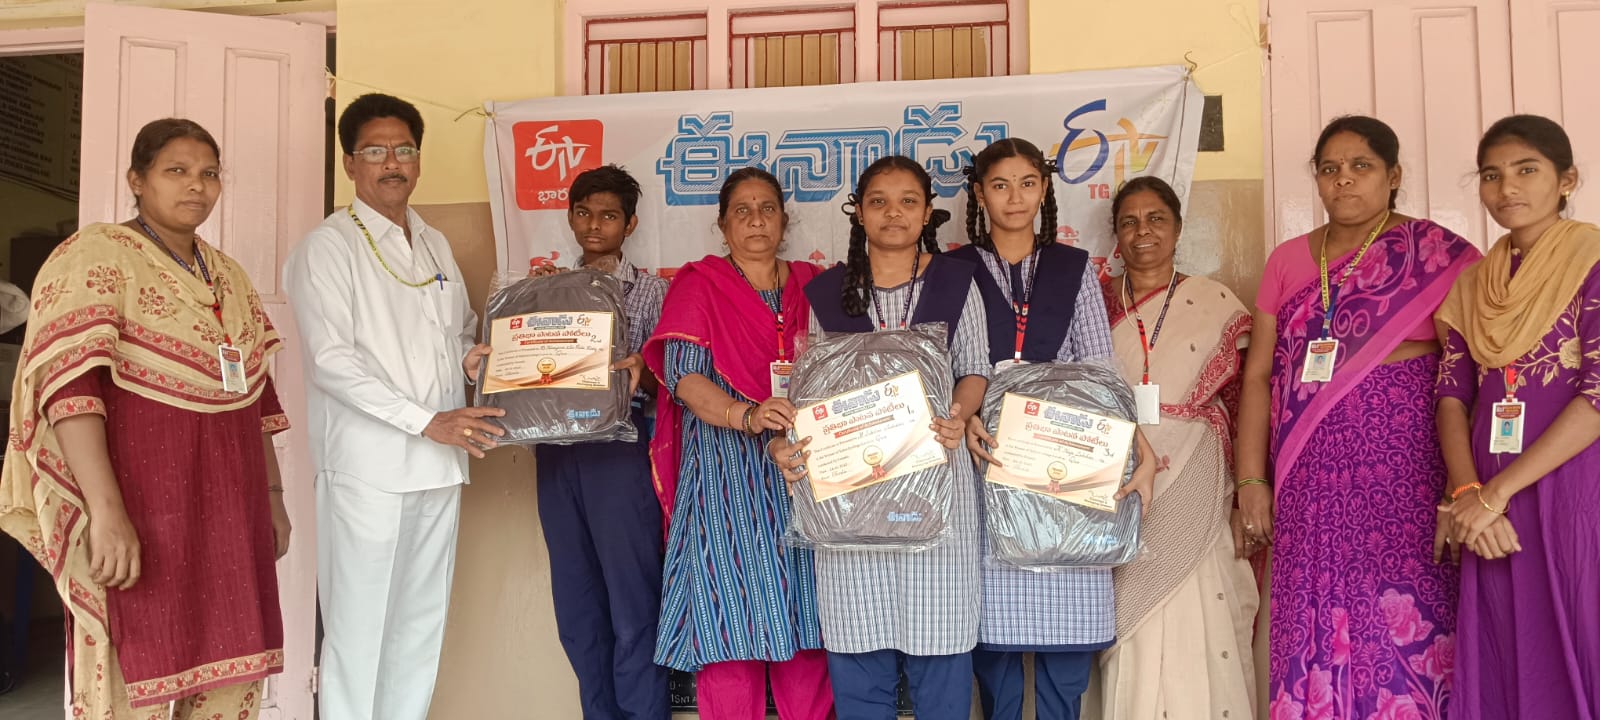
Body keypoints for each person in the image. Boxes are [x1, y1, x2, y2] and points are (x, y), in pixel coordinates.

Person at [0, 118, 289, 718]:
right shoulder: (95, 256)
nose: (196, 186)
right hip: (141, 506)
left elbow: (256, 398)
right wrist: (105, 513)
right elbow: (68, 390)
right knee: (137, 667)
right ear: (137, 180)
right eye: (176, 171)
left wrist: (273, 498)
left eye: (209, 173)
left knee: (229, 670)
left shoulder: (229, 276)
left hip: (229, 511)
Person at [1234, 115, 1479, 718]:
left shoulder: (1438, 254)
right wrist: (1251, 480)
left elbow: (1469, 373)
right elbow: (1258, 376)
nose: (1343, 179)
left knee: (1408, 612)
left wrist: (1461, 488)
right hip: (1308, 472)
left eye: (1360, 166)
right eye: (1330, 168)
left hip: (1406, 470)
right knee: (1313, 608)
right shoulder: (1288, 260)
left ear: (1393, 176)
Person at [282, 93, 506, 720]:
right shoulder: (328, 247)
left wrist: (473, 362)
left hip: (439, 466)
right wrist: (427, 421)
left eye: (404, 149)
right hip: (369, 470)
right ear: (350, 163)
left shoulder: (432, 242)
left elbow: (457, 333)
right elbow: (332, 361)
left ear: (418, 159)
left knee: (419, 627)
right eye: (375, 150)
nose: (392, 162)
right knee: (358, 633)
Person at [947, 138, 1154, 720]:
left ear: (1044, 189)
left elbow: (1099, 370)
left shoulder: (1073, 268)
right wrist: (964, 417)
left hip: (1067, 449)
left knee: (1071, 622)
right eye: (1000, 185)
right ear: (979, 194)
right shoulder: (954, 269)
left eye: (1027, 183)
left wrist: (1140, 448)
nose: (1015, 197)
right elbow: (945, 363)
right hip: (987, 455)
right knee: (994, 641)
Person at [772, 155, 983, 719]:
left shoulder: (958, 282)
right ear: (859, 213)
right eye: (879, 202)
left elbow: (974, 370)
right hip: (852, 489)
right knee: (858, 644)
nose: (894, 213)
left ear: (928, 211)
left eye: (908, 201)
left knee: (940, 642)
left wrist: (959, 413)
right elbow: (812, 388)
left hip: (936, 479)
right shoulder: (827, 293)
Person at [644, 167, 833, 719]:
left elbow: (845, 371)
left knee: (808, 625)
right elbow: (683, 379)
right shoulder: (699, 284)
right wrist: (746, 416)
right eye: (742, 211)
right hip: (725, 479)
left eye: (767, 208)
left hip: (806, 473)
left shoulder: (814, 285)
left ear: (784, 220)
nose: (756, 220)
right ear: (722, 225)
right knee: (728, 626)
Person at [1435, 114, 1600, 719]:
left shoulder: (1592, 262)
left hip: (1574, 492)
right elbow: (1452, 396)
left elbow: (1598, 395)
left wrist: (1495, 494)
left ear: (1566, 180)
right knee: (1507, 649)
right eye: (1491, 175)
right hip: (1488, 507)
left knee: (1582, 633)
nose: (1507, 187)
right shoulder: (1474, 284)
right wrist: (1468, 495)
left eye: (1526, 169)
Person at [1084, 176, 1257, 719]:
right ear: (1116, 235)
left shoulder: (1214, 301)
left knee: (1195, 596)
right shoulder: (1093, 302)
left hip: (1196, 469)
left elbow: (1243, 402)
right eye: (1129, 222)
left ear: (1179, 228)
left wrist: (1244, 493)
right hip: (1115, 471)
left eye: (1156, 219)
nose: (1143, 232)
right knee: (1127, 605)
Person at [527, 164, 670, 719]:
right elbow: (525, 371)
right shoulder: (544, 290)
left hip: (620, 450)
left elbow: (672, 378)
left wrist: (643, 371)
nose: (594, 225)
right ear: (569, 217)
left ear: (629, 224)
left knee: (632, 604)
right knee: (577, 605)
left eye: (609, 216)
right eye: (584, 213)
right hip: (557, 452)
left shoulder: (654, 292)